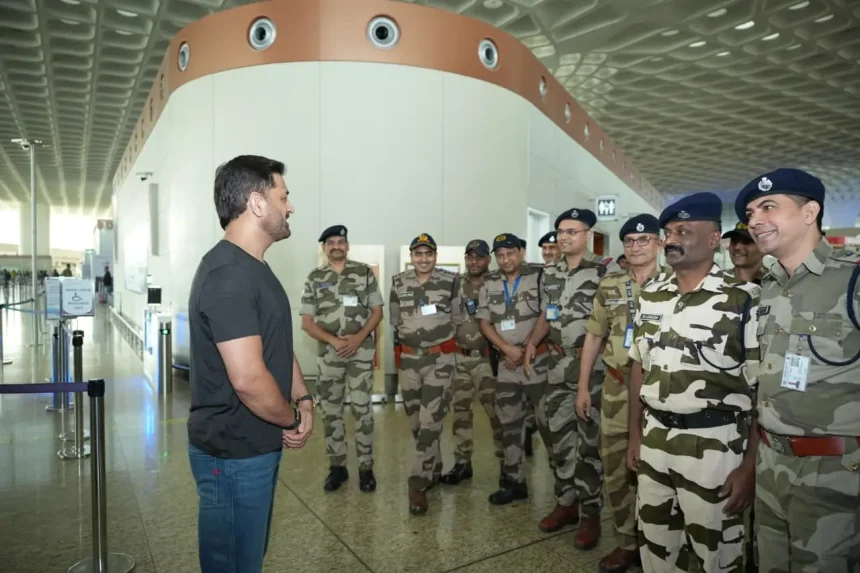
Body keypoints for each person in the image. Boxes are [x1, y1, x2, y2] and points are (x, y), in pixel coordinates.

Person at [187, 155, 315, 573]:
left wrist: (304, 397)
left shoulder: (255, 267)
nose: (290, 207)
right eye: (283, 197)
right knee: (234, 563)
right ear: (257, 203)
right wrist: (291, 419)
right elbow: (247, 379)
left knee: (248, 558)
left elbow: (275, 343)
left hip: (255, 446)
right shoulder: (229, 274)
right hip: (233, 455)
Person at [627, 192, 760, 573]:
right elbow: (639, 367)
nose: (672, 239)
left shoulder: (743, 299)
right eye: (668, 232)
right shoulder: (652, 296)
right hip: (655, 440)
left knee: (715, 555)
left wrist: (750, 466)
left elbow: (761, 389)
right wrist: (634, 435)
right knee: (655, 547)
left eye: (684, 231)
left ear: (714, 239)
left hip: (715, 447)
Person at [736, 168, 860, 573]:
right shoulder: (767, 288)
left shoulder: (852, 279)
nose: (755, 220)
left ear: (810, 212)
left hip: (835, 474)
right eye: (751, 213)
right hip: (771, 464)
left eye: (768, 207)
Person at [523, 208, 616, 548]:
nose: (564, 237)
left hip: (593, 370)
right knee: (559, 439)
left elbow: (614, 321)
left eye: (572, 232)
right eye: (561, 231)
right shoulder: (550, 272)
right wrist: (532, 341)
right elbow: (547, 315)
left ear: (588, 235)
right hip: (557, 366)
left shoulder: (606, 270)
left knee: (588, 445)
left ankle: (590, 513)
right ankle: (566, 502)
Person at [576, 213, 662, 573]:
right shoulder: (611, 285)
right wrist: (583, 386)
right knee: (614, 466)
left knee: (656, 467)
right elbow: (594, 335)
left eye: (644, 240)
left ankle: (657, 542)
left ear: (659, 243)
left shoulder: (675, 283)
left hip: (659, 391)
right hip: (615, 385)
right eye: (629, 241)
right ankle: (626, 542)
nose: (636, 246)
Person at [299, 224, 384, 493]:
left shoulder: (363, 273)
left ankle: (366, 468)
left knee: (362, 409)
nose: (336, 246)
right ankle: (337, 467)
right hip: (329, 354)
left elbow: (377, 311)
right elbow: (307, 322)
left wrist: (358, 338)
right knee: (331, 410)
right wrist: (335, 341)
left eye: (340, 242)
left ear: (347, 246)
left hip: (360, 353)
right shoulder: (315, 277)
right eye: (331, 243)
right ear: (324, 248)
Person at [390, 233, 462, 515]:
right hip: (409, 361)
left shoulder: (450, 281)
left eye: (428, 254)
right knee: (417, 425)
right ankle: (434, 468)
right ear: (411, 257)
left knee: (430, 421)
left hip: (439, 361)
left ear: (435, 256)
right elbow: (395, 321)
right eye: (418, 254)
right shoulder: (398, 282)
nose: (423, 259)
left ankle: (418, 484)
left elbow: (458, 319)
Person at [478, 232, 550, 503]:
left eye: (510, 253)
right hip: (507, 364)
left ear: (521, 252)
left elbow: (548, 313)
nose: (506, 259)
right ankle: (514, 481)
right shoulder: (489, 282)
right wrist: (506, 349)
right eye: (500, 255)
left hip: (537, 362)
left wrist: (528, 345)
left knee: (548, 425)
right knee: (509, 425)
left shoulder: (540, 276)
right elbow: (484, 322)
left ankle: (566, 488)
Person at [441, 239, 503, 485]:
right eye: (470, 257)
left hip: (488, 360)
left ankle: (507, 466)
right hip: (460, 359)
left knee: (497, 414)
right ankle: (462, 463)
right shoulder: (455, 284)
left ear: (488, 259)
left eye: (479, 257)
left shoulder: (498, 283)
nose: (474, 262)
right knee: (460, 413)